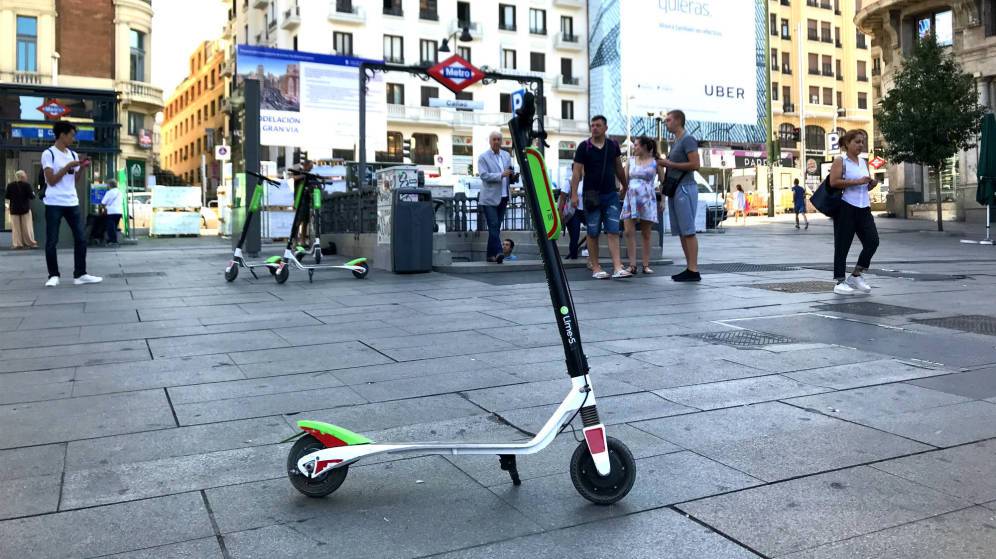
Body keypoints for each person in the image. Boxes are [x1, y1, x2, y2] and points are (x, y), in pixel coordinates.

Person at [40, 121, 101, 286]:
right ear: (62, 135)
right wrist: (67, 166)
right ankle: (53, 275)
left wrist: (82, 168)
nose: (73, 139)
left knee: (81, 238)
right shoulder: (48, 154)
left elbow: (74, 180)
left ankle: (80, 274)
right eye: (72, 135)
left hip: (72, 201)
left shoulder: (73, 154)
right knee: (52, 240)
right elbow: (51, 181)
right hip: (54, 202)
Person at [570, 115, 630, 279]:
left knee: (613, 230)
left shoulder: (613, 146)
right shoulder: (584, 147)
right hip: (591, 196)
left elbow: (618, 167)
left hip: (610, 194)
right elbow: (576, 172)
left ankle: (617, 267)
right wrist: (574, 194)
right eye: (592, 125)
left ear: (605, 128)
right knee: (593, 232)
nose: (594, 128)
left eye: (598, 125)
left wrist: (625, 185)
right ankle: (596, 268)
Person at [829, 130, 879, 296]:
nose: (861, 145)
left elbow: (864, 186)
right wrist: (857, 181)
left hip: (864, 207)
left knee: (873, 242)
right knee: (842, 245)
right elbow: (834, 182)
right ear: (847, 143)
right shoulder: (840, 161)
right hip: (846, 207)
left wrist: (870, 184)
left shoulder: (864, 162)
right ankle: (839, 281)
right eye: (857, 142)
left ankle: (856, 275)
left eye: (862, 142)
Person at [659, 110, 701, 282]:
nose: (666, 123)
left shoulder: (687, 139)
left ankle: (693, 269)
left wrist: (670, 163)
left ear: (678, 121)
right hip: (676, 189)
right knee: (682, 231)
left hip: (685, 188)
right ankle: (690, 268)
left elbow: (696, 164)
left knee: (688, 230)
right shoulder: (676, 141)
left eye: (668, 120)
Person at [621, 137, 660, 274]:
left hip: (647, 198)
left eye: (636, 145)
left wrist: (663, 200)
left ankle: (645, 264)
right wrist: (622, 191)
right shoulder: (630, 161)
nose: (634, 147)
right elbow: (624, 180)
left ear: (644, 146)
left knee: (646, 233)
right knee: (628, 231)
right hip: (631, 198)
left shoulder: (655, 162)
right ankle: (632, 265)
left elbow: (663, 181)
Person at [478, 131, 515, 263]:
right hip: (489, 198)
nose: (496, 142)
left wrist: (512, 175)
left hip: (503, 196)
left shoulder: (506, 155)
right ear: (490, 141)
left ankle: (490, 255)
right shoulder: (483, 157)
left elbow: (509, 172)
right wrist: (501, 175)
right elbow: (484, 175)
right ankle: (499, 252)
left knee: (495, 227)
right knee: (493, 224)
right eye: (494, 139)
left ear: (501, 141)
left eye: (499, 139)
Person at [5, 170, 37, 249]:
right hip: (25, 209)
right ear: (23, 177)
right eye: (25, 175)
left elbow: (7, 196)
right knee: (27, 227)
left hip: (14, 209)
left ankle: (17, 244)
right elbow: (32, 197)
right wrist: (33, 193)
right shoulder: (27, 185)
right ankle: (30, 243)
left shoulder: (10, 185)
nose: (26, 177)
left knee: (16, 228)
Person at [100, 180, 123, 246]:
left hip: (111, 212)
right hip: (119, 212)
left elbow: (103, 202)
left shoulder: (109, 192)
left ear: (110, 185)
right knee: (114, 227)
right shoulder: (119, 192)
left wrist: (104, 208)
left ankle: (113, 241)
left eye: (108, 184)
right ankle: (112, 240)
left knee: (110, 228)